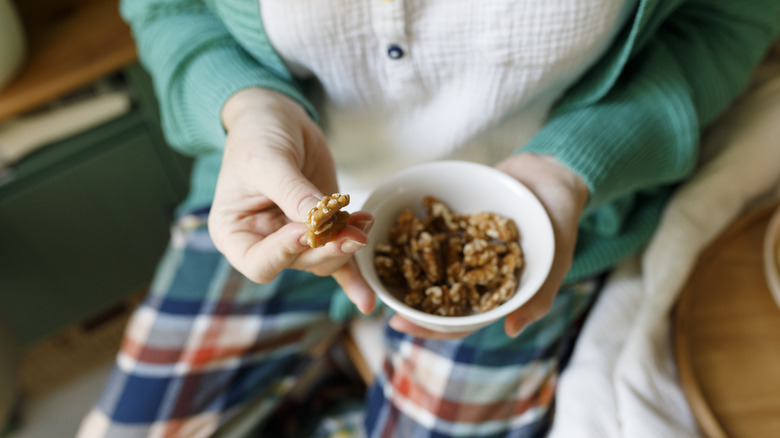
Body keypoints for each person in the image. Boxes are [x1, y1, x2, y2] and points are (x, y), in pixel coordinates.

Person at [78, 1, 780, 437]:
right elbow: (168, 9)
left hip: (546, 211)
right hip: (275, 197)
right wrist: (245, 107)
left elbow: (726, 19)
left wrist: (573, 167)